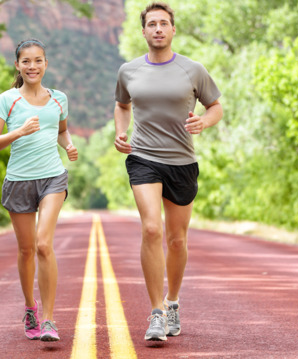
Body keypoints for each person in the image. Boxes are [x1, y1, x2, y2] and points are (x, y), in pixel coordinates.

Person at [114, 2, 223, 342]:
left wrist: (204, 121)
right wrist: (121, 131)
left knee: (177, 239)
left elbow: (215, 106)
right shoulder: (128, 71)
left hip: (182, 162)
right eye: (152, 24)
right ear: (143, 31)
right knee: (151, 229)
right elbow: (122, 104)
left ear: (173, 30)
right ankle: (157, 312)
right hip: (144, 158)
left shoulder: (193, 70)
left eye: (164, 23)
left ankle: (173, 301)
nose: (158, 29)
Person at [0, 38, 78, 342]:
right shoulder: (7, 99)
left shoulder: (59, 99)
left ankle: (49, 320)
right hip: (19, 181)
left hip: (52, 176)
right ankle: (30, 308)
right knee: (26, 251)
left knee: (42, 244)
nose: (32, 66)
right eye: (26, 61)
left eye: (38, 60)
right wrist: (19, 132)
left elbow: (62, 131)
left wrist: (69, 145)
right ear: (17, 65)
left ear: (46, 64)